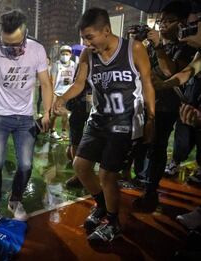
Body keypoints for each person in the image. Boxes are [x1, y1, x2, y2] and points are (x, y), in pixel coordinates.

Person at [54, 7, 155, 243]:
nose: (87, 43)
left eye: (90, 37)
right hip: (98, 119)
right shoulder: (88, 55)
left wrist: (151, 119)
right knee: (80, 166)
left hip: (124, 121)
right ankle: (102, 207)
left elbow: (148, 84)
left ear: (107, 31)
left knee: (107, 174)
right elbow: (80, 83)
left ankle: (113, 221)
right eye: (83, 38)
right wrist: (62, 98)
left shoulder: (134, 49)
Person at [0, 9, 53, 233]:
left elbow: (45, 82)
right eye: (6, 43)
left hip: (25, 118)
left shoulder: (37, 50)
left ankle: (15, 200)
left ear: (25, 35)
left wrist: (46, 112)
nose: (10, 49)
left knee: (25, 166)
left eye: (15, 44)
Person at [133, 1, 196, 211]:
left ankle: (151, 193)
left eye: (169, 21)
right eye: (161, 21)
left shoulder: (186, 47)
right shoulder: (153, 45)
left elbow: (171, 72)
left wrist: (159, 46)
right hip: (145, 101)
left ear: (183, 22)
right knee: (141, 143)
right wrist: (137, 43)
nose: (163, 25)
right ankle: (142, 179)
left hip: (167, 106)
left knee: (156, 145)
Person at [49, 45, 76, 140]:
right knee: (54, 114)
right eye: (63, 53)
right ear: (60, 54)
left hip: (68, 94)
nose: (65, 55)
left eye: (67, 53)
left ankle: (64, 132)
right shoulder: (56, 65)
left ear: (70, 54)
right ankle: (52, 131)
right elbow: (52, 80)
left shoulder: (73, 64)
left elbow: (75, 79)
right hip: (57, 93)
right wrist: (52, 96)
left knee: (66, 114)